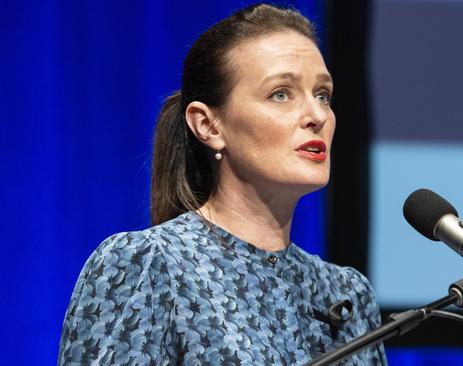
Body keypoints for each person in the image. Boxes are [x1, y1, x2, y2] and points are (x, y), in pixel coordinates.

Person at [57, 4, 387, 365]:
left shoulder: (346, 293)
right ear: (208, 126)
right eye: (281, 94)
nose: (317, 116)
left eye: (322, 95)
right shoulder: (148, 263)